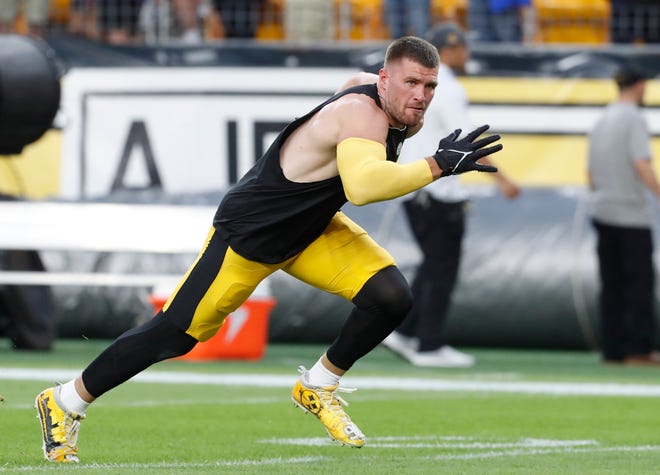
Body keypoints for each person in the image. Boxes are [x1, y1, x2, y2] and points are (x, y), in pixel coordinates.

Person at [35, 36, 504, 463]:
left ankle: (319, 385)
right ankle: (65, 400)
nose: (421, 95)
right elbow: (362, 187)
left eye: (429, 86)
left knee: (390, 296)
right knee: (172, 335)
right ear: (384, 78)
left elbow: (349, 121)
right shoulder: (365, 112)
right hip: (253, 234)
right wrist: (437, 164)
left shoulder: (378, 98)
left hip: (310, 230)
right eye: (411, 82)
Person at [382, 22, 520, 367]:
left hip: (415, 187)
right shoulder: (447, 88)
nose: (467, 53)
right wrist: (502, 180)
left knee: (432, 266)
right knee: (441, 269)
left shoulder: (420, 88)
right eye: (462, 47)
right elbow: (469, 139)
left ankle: (407, 332)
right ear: (449, 50)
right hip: (438, 191)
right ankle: (429, 344)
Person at [587, 64, 660, 366]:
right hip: (630, 213)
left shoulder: (602, 118)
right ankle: (639, 349)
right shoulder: (634, 119)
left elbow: (590, 175)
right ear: (641, 86)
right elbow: (642, 164)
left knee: (611, 285)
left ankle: (613, 350)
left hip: (602, 210)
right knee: (639, 285)